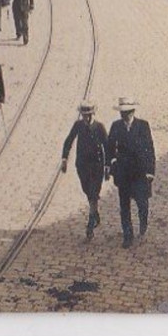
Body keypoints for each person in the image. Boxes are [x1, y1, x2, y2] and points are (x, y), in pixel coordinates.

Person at [107, 97, 156, 248]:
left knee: (142, 203)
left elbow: (149, 148)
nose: (124, 115)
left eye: (127, 112)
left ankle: (143, 221)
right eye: (122, 113)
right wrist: (112, 162)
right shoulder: (116, 126)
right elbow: (109, 147)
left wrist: (150, 171)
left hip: (140, 172)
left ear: (133, 111)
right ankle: (128, 235)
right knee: (124, 206)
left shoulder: (142, 126)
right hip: (123, 173)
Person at [61, 101, 108, 240]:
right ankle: (95, 212)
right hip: (82, 165)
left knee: (94, 192)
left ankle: (90, 224)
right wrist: (64, 159)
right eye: (83, 115)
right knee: (87, 190)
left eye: (88, 115)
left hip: (97, 165)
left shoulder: (99, 127)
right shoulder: (78, 125)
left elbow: (107, 145)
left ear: (92, 114)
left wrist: (107, 167)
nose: (85, 118)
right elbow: (69, 141)